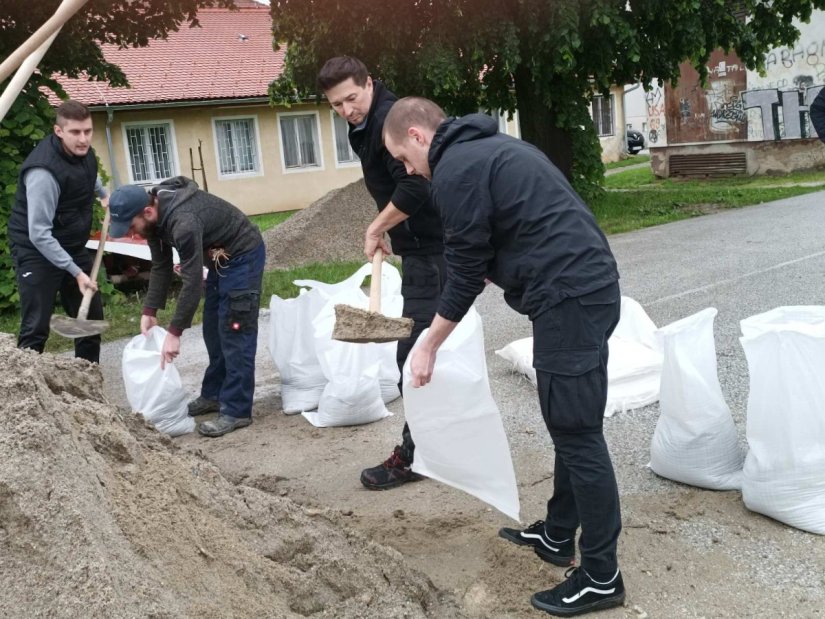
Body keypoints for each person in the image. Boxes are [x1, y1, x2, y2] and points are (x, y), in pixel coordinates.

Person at [383, 97, 625, 617]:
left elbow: (466, 270)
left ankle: (602, 576)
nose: (408, 171)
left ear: (420, 137)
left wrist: (427, 344)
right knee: (571, 421)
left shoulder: (455, 170)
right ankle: (559, 534)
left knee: (578, 434)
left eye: (404, 159)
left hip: (570, 297)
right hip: (583, 289)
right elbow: (500, 238)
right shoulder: (489, 147)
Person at [318, 56, 445, 490]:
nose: (346, 110)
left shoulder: (389, 118)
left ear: (370, 83)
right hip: (418, 248)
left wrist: (377, 226)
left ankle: (416, 455)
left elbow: (415, 184)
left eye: (351, 99)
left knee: (414, 356)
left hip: (434, 251)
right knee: (428, 353)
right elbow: (389, 186)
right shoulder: (363, 124)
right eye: (336, 105)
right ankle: (436, 445)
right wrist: (390, 226)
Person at [107, 176, 265, 438]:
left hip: (243, 256)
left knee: (235, 329)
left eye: (131, 226)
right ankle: (214, 395)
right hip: (219, 258)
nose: (131, 233)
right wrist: (150, 310)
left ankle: (237, 409)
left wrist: (174, 332)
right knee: (214, 329)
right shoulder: (154, 221)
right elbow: (160, 265)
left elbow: (191, 283)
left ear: (147, 211)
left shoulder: (184, 222)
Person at [8, 99, 108, 363]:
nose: (83, 139)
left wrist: (104, 195)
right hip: (36, 251)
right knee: (36, 328)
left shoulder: (83, 153)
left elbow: (88, 174)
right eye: (75, 132)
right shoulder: (43, 173)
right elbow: (39, 233)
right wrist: (75, 272)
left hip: (71, 246)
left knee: (88, 322)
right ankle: (23, 395)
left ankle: (87, 392)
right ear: (58, 131)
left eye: (87, 131)